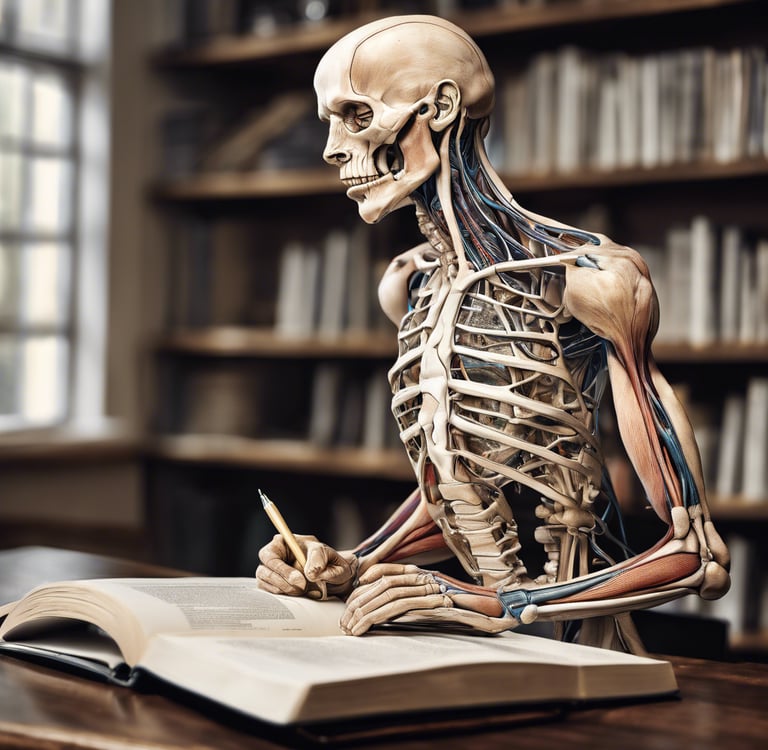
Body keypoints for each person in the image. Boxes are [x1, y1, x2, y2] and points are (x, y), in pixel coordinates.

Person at [255, 15, 729, 651]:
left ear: (442, 107)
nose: (333, 149)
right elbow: (459, 484)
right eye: (329, 123)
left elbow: (694, 554)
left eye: (357, 117)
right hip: (484, 645)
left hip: (580, 650)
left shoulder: (589, 279)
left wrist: (508, 601)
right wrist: (355, 562)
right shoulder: (413, 286)